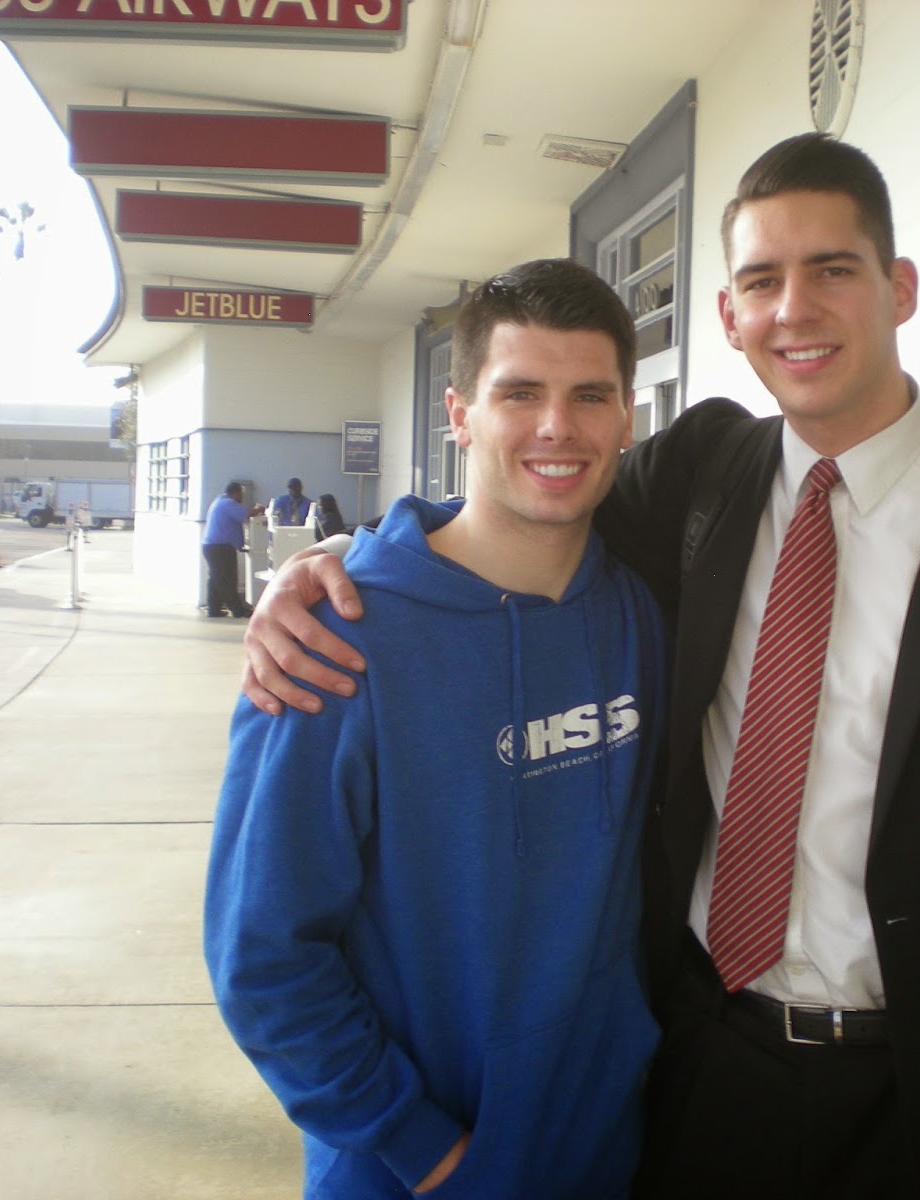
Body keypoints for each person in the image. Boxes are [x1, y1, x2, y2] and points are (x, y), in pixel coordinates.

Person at [244, 134, 920, 1200]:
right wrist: (336, 559)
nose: (795, 310)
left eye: (834, 269)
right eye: (762, 281)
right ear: (728, 317)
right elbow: (530, 488)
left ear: (900, 289)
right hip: (699, 1072)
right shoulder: (699, 475)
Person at [204, 259, 664, 1200]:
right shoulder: (336, 641)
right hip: (412, 1172)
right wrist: (418, 1147)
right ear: (460, 414)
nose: (557, 426)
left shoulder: (638, 613)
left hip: (606, 1152)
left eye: (589, 395)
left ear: (627, 417)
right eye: (520, 393)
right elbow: (264, 955)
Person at [200, 481, 261, 618]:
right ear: (236, 493)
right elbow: (245, 515)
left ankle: (214, 608)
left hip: (212, 546)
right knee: (228, 579)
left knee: (216, 578)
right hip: (220, 547)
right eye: (241, 494)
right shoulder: (228, 503)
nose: (242, 497)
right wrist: (259, 509)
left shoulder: (219, 501)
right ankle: (238, 610)